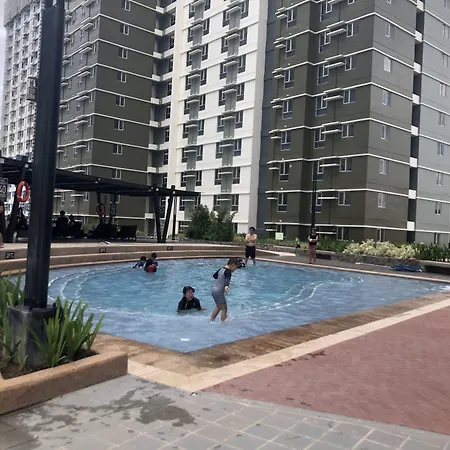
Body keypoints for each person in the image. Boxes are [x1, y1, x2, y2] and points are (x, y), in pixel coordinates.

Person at [210, 257, 240, 322]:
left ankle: (211, 320)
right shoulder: (228, 271)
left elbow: (214, 276)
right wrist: (226, 286)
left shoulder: (221, 269)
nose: (235, 269)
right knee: (224, 308)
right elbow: (227, 279)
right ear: (233, 265)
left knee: (219, 306)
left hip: (214, 290)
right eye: (236, 267)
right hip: (219, 291)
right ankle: (223, 323)